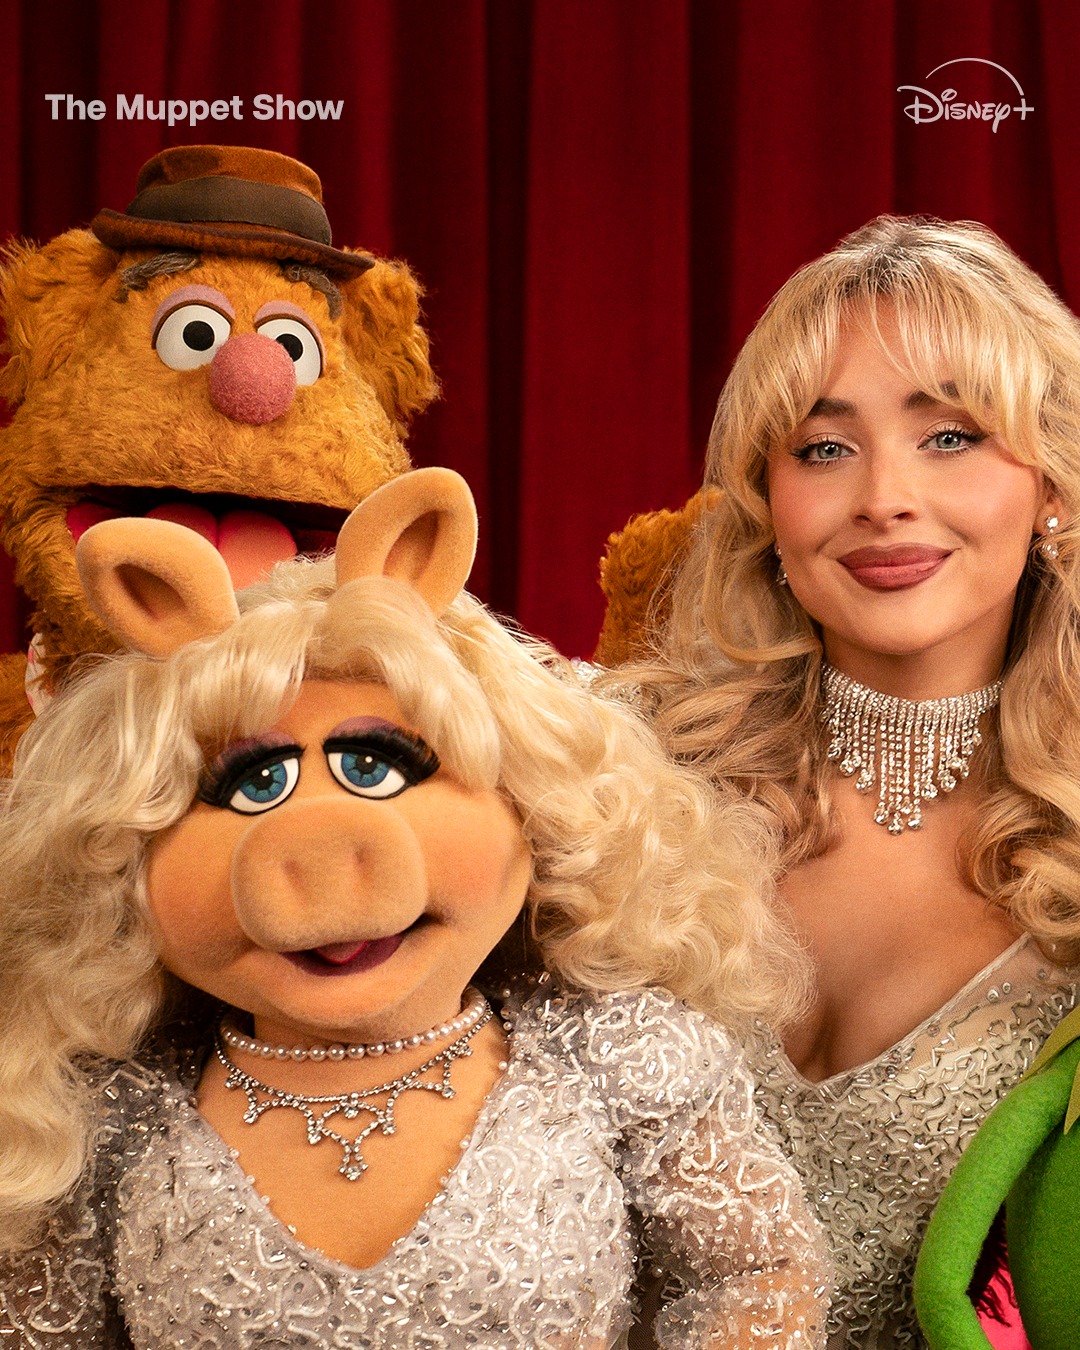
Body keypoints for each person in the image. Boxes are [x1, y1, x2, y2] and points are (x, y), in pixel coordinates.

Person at [0, 470, 829, 1348]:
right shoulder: (96, 1119)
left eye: (376, 766)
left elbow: (760, 1276)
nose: (319, 847)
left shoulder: (619, 1055)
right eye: (251, 783)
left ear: (533, 801)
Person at [622, 216, 1080, 1348]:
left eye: (951, 435)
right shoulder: (625, 774)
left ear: (1054, 486)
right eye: (824, 449)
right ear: (766, 505)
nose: (884, 496)